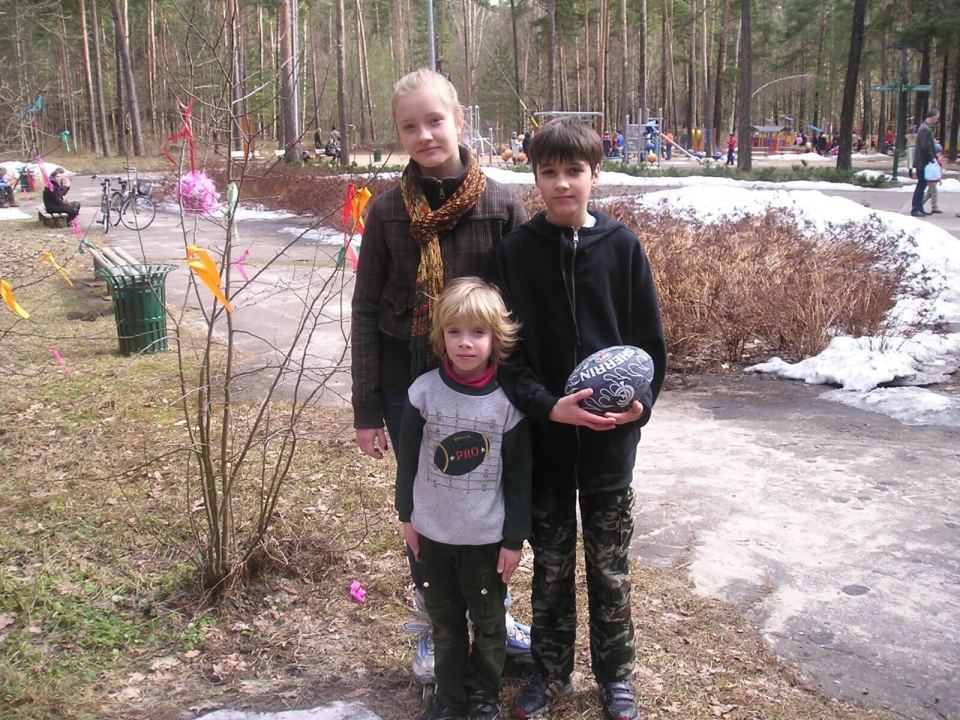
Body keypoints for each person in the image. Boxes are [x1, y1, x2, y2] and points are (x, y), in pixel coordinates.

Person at [350, 66, 529, 692]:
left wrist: (522, 391)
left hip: (487, 390)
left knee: (487, 497)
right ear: (399, 134)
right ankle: (434, 621)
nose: (424, 134)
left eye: (435, 120)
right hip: (409, 385)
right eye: (409, 125)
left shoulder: (502, 203)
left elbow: (518, 307)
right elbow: (367, 309)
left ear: (458, 120)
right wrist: (367, 408)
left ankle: (494, 614)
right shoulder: (387, 212)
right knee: (429, 505)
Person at [492, 118, 667, 720]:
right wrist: (548, 407)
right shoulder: (515, 254)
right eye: (549, 172)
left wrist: (639, 409)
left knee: (610, 567)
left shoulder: (622, 249)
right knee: (552, 568)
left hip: (609, 448)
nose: (562, 183)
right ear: (535, 177)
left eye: (574, 171)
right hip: (543, 442)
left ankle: (616, 676)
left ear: (596, 174)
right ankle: (549, 672)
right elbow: (507, 358)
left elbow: (649, 346)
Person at [397, 276, 531, 720]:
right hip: (433, 534)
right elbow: (409, 464)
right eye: (455, 332)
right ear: (441, 337)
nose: (466, 343)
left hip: (485, 540)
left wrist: (513, 540)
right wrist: (407, 517)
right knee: (447, 626)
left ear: (496, 338)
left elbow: (518, 477)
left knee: (489, 626)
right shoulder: (423, 393)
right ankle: (449, 699)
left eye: (478, 333)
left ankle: (483, 697)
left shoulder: (507, 405)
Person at [911, 108, 939, 217]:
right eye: (936, 117)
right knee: (921, 185)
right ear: (932, 116)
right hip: (923, 163)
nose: (937, 120)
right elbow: (925, 147)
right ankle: (916, 208)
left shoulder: (925, 128)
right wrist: (932, 159)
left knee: (922, 185)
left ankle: (919, 208)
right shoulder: (925, 129)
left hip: (923, 162)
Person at [923, 140, 944, 215]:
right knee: (934, 192)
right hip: (931, 178)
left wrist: (939, 179)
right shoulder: (933, 160)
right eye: (939, 152)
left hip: (934, 178)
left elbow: (939, 171)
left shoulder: (937, 160)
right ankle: (934, 207)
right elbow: (935, 170)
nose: (940, 154)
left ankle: (920, 203)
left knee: (929, 193)